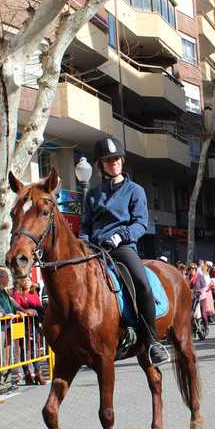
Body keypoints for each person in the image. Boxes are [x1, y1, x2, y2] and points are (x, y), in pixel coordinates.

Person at [79, 136, 169, 366]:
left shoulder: (135, 190)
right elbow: (86, 226)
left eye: (117, 158)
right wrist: (84, 242)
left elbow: (140, 223)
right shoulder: (92, 194)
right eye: (109, 160)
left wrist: (120, 236)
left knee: (141, 282)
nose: (114, 163)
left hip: (122, 248)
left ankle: (151, 342)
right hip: (95, 249)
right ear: (101, 164)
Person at [11, 276, 45, 385]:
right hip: (21, 324)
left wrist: (40, 319)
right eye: (24, 280)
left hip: (33, 324)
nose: (26, 282)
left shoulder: (34, 294)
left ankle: (37, 371)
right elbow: (16, 308)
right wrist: (25, 312)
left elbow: (39, 308)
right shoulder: (17, 294)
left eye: (28, 280)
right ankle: (27, 373)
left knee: (34, 347)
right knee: (23, 348)